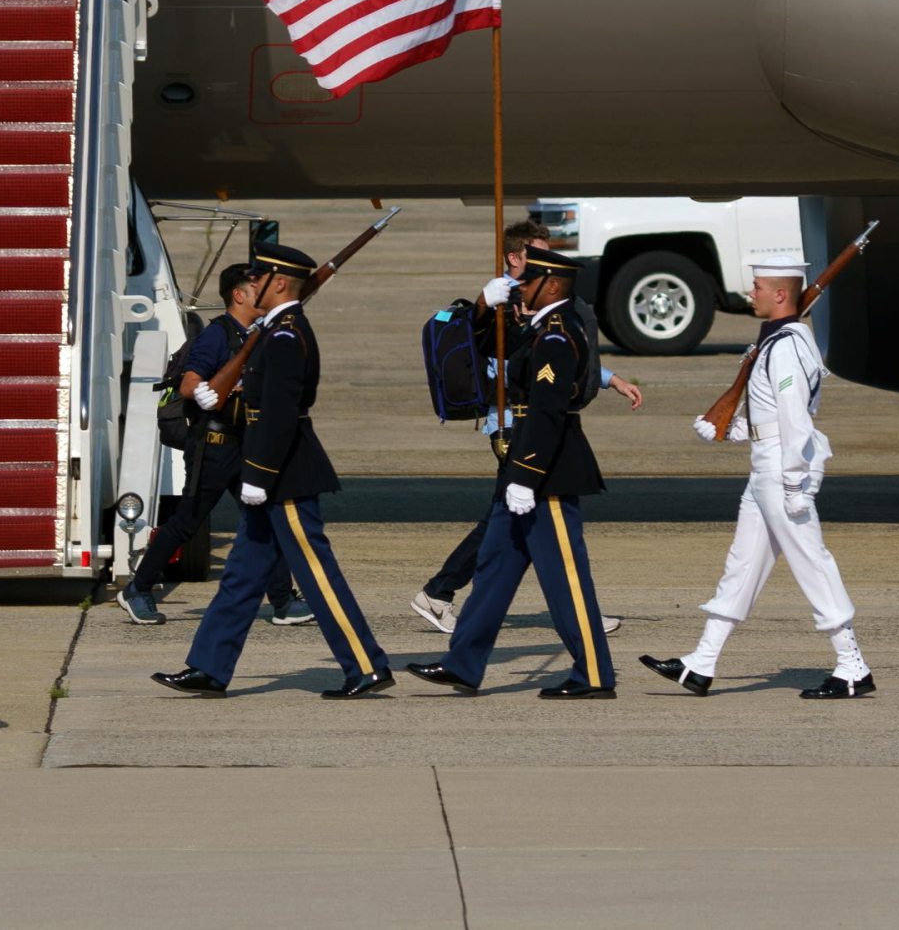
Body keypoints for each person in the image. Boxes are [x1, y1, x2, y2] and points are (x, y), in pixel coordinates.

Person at [155, 242, 394, 699]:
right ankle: (209, 666)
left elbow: (281, 413)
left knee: (317, 574)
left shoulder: (285, 335)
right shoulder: (273, 330)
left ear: (278, 283)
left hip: (283, 474)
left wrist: (258, 476)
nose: (251, 285)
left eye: (257, 278)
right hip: (268, 471)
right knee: (242, 576)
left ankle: (367, 666)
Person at [641, 251, 874, 699]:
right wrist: (728, 430)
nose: (751, 294)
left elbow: (796, 422)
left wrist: (793, 482)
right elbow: (772, 417)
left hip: (782, 472)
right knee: (742, 567)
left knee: (812, 564)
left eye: (759, 289)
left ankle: (852, 665)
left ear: (781, 294)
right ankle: (701, 663)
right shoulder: (778, 340)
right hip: (765, 467)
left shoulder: (786, 347)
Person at [412, 219, 639, 637]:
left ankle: (442, 595)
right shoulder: (506, 301)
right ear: (516, 257)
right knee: (529, 527)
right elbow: (519, 358)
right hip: (517, 426)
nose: (547, 263)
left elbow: (556, 353)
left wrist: (610, 379)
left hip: (531, 423)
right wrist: (485, 305)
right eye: (537, 255)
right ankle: (445, 594)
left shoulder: (529, 301)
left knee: (505, 525)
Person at [117, 261, 307, 627]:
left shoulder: (259, 331)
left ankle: (283, 601)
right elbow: (190, 384)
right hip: (215, 444)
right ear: (239, 295)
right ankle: (137, 589)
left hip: (246, 444)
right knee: (187, 522)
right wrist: (218, 392)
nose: (264, 292)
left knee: (265, 520)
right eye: (256, 287)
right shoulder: (218, 335)